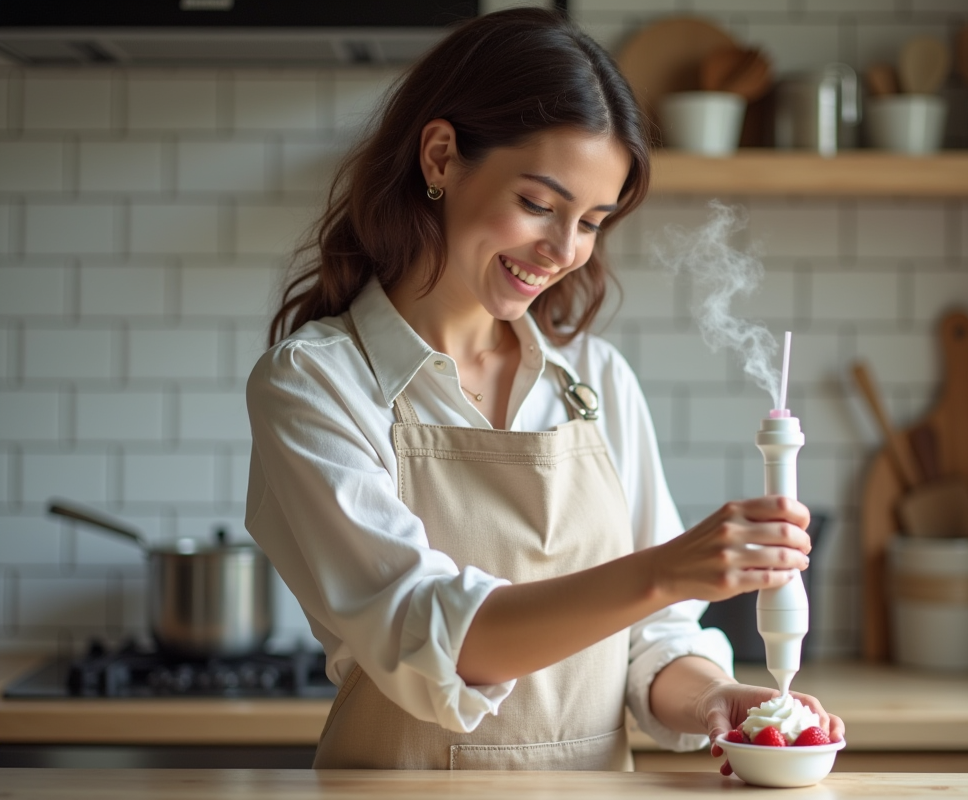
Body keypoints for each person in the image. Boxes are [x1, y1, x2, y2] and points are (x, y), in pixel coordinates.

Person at [245, 7, 843, 771]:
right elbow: (429, 635)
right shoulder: (317, 382)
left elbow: (653, 640)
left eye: (592, 220)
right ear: (440, 157)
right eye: (538, 205)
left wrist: (713, 697)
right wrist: (665, 569)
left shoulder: (594, 380)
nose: (564, 252)